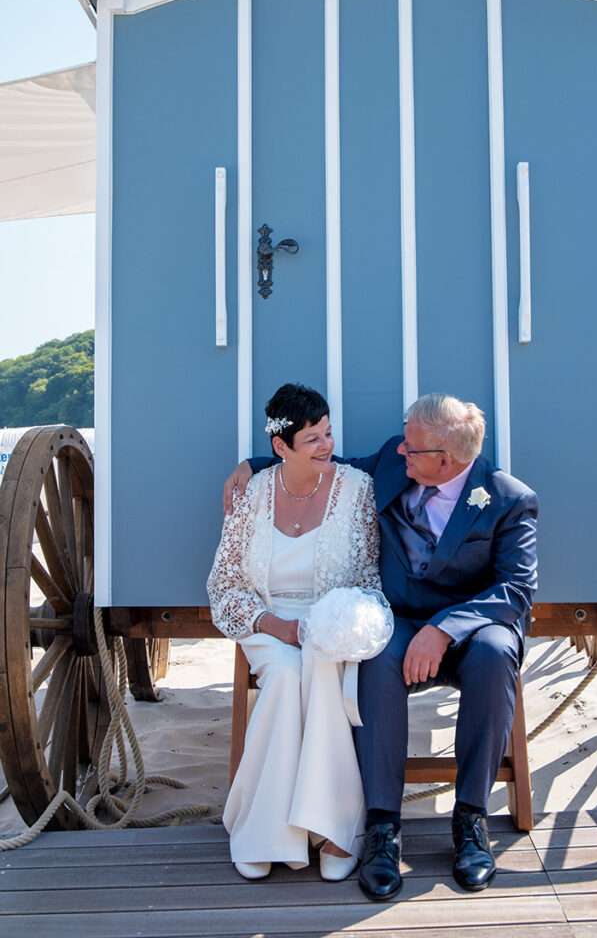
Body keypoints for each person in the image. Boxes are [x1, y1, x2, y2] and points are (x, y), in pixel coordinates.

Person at [223, 393, 538, 899]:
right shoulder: (398, 462)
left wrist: (447, 628)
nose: (398, 454)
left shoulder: (507, 499)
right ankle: (382, 826)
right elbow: (329, 462)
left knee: (496, 656)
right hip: (400, 619)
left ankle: (471, 821)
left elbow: (516, 592)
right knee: (374, 655)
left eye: (413, 451)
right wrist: (254, 462)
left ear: (448, 459)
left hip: (474, 627)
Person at [207, 383, 381, 881]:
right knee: (283, 677)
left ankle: (334, 830)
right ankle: (264, 831)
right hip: (266, 620)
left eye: (328, 433)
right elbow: (227, 582)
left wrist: (335, 624)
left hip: (330, 619)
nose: (326, 445)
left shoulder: (356, 488)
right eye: (313, 439)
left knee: (323, 671)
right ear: (280, 447)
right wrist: (273, 624)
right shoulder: (252, 491)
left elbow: (368, 575)